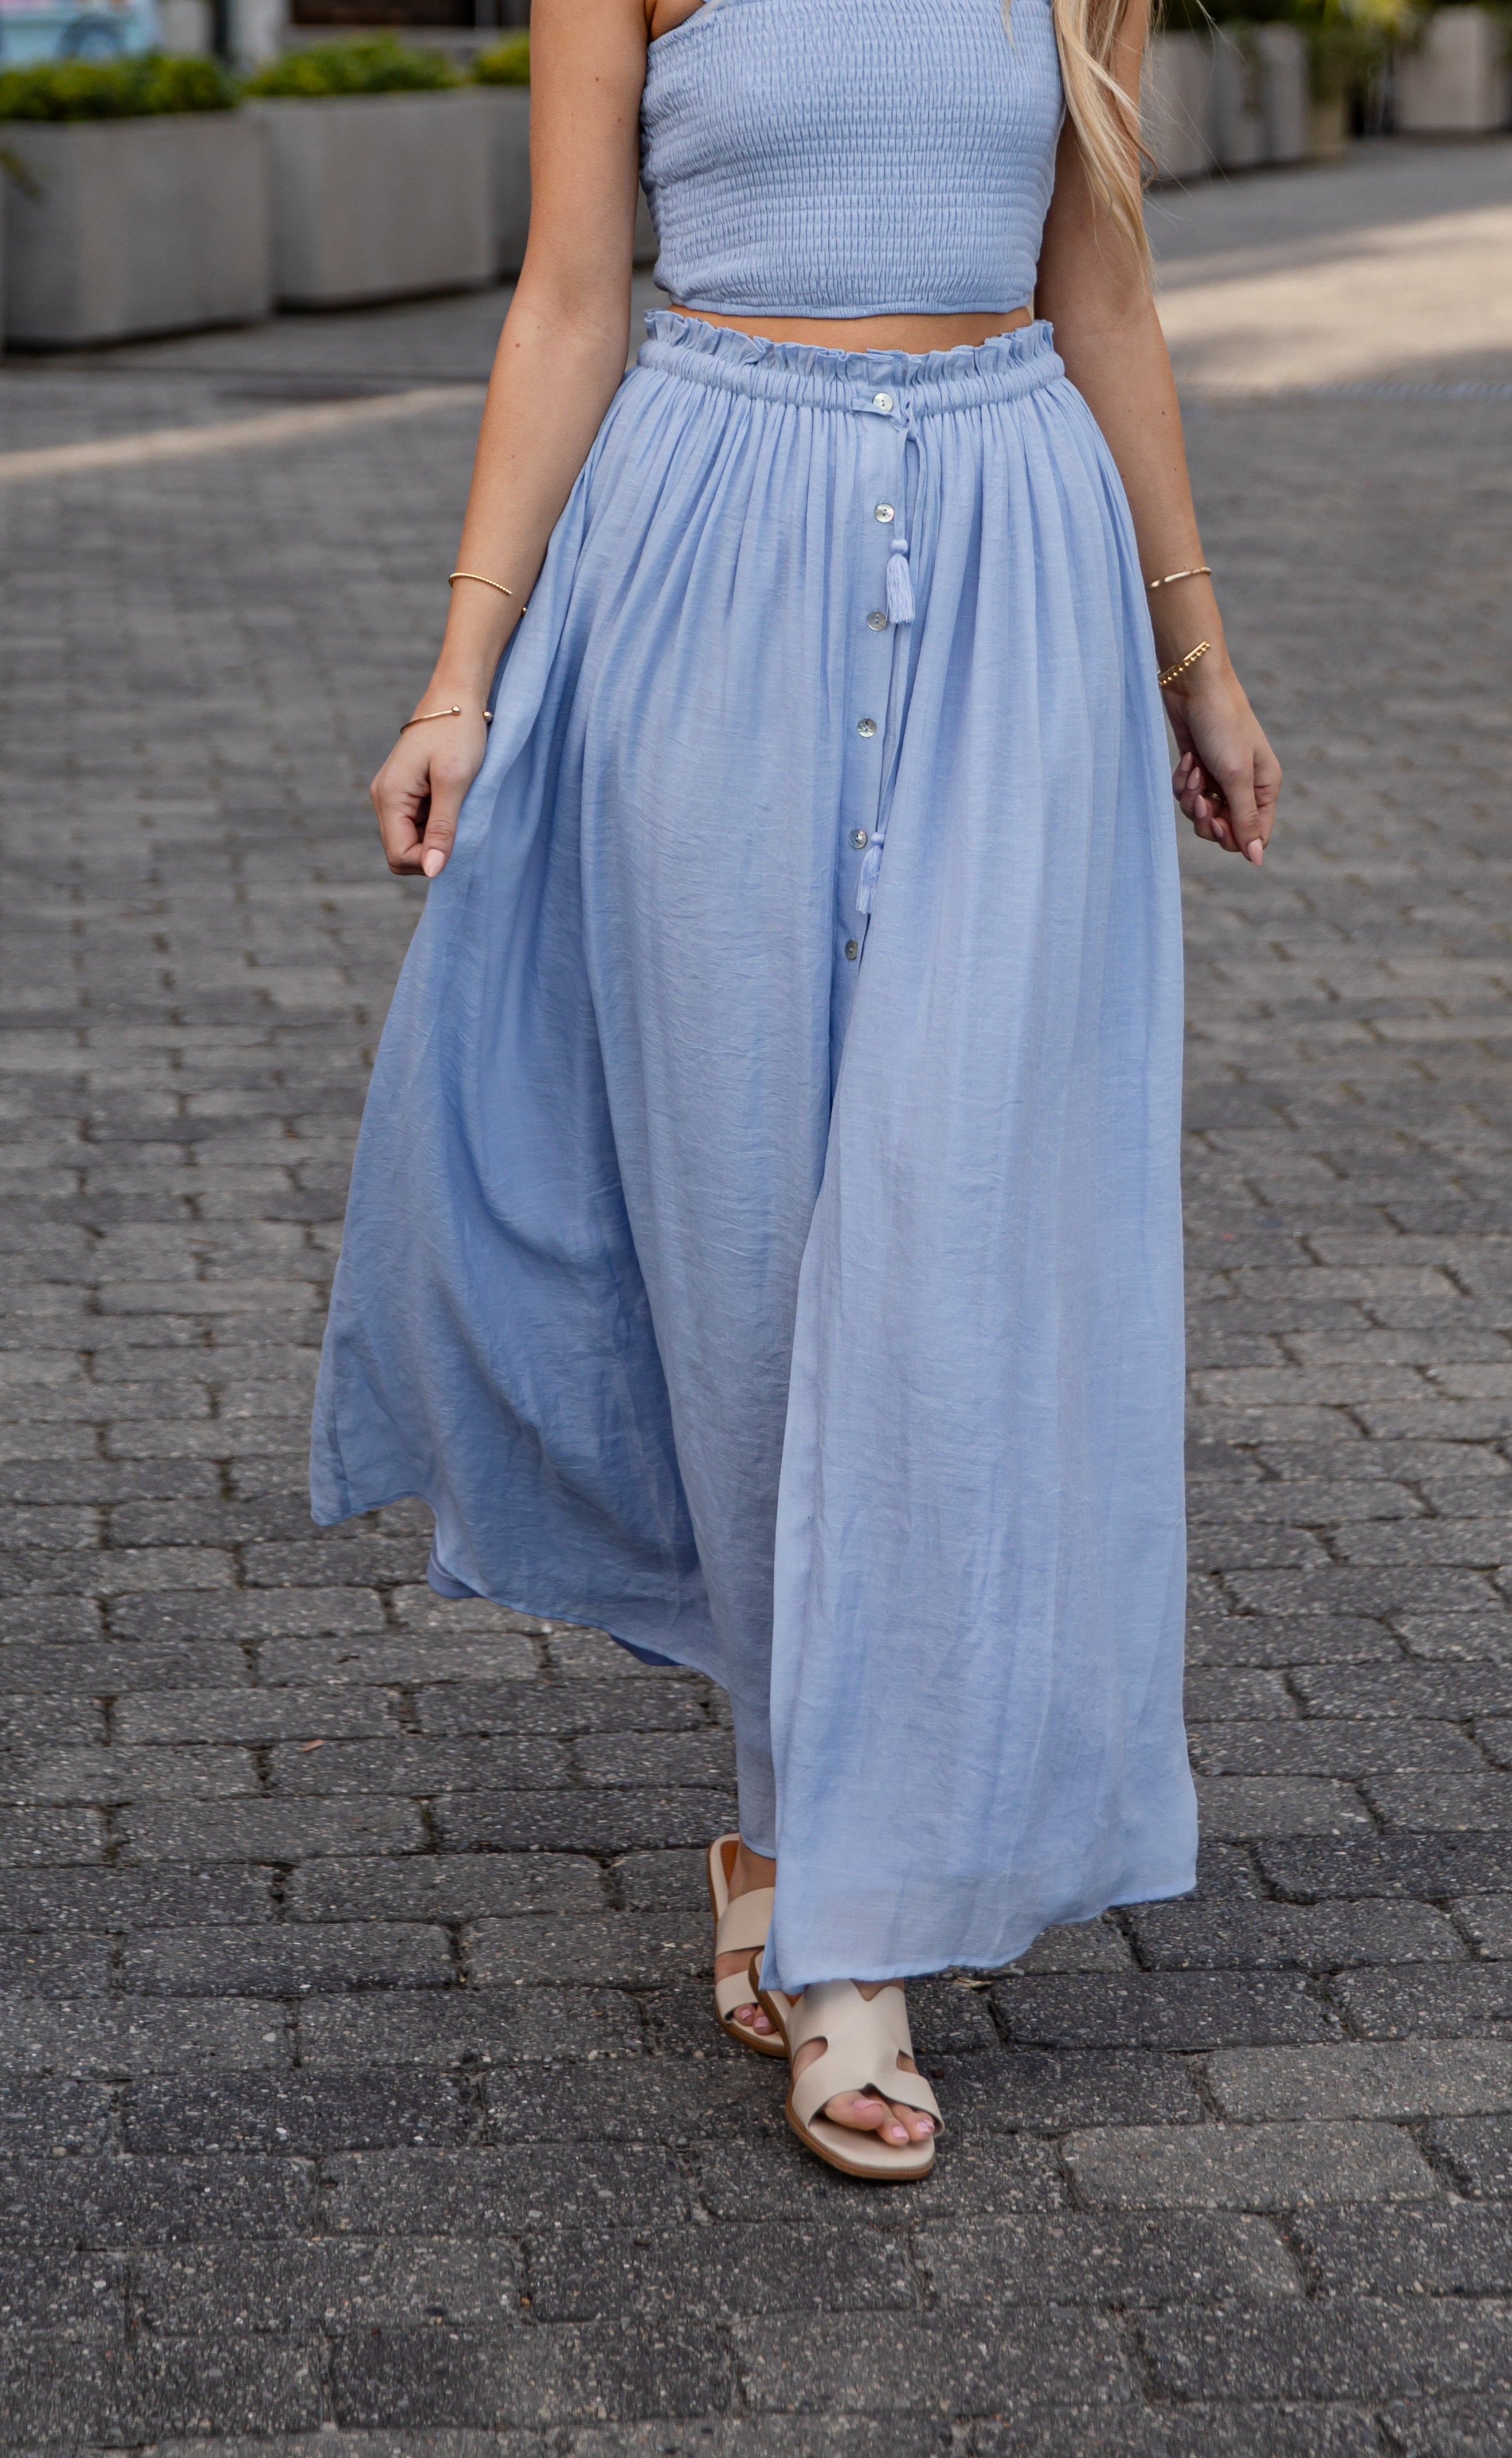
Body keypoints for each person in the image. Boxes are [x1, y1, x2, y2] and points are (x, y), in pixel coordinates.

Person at [311, 0, 1281, 2182]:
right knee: (744, 1247)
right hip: (709, 554)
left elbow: (1102, 290)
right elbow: (571, 296)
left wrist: (1192, 657)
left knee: (945, 1244)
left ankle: (841, 1933)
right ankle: (800, 1826)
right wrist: (462, 672)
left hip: (1016, 567)